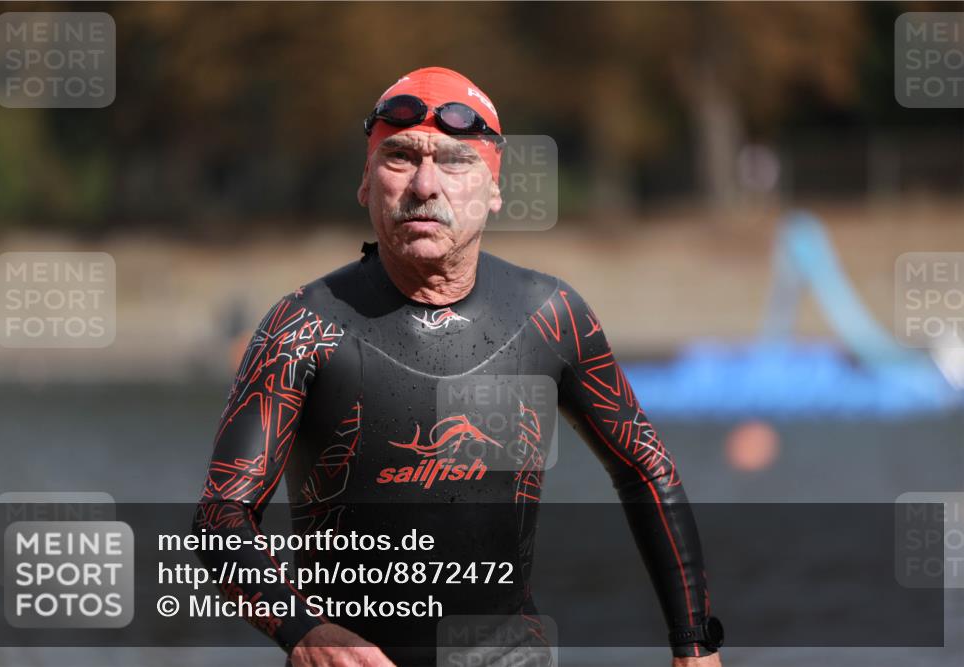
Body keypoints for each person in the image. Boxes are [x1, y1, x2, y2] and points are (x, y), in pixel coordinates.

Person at [192, 66, 723, 667]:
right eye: (398, 158)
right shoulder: (301, 326)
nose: (425, 184)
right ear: (366, 184)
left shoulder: (549, 315)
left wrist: (696, 646)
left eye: (453, 160)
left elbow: (645, 468)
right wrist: (307, 633)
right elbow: (220, 517)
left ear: (494, 189)